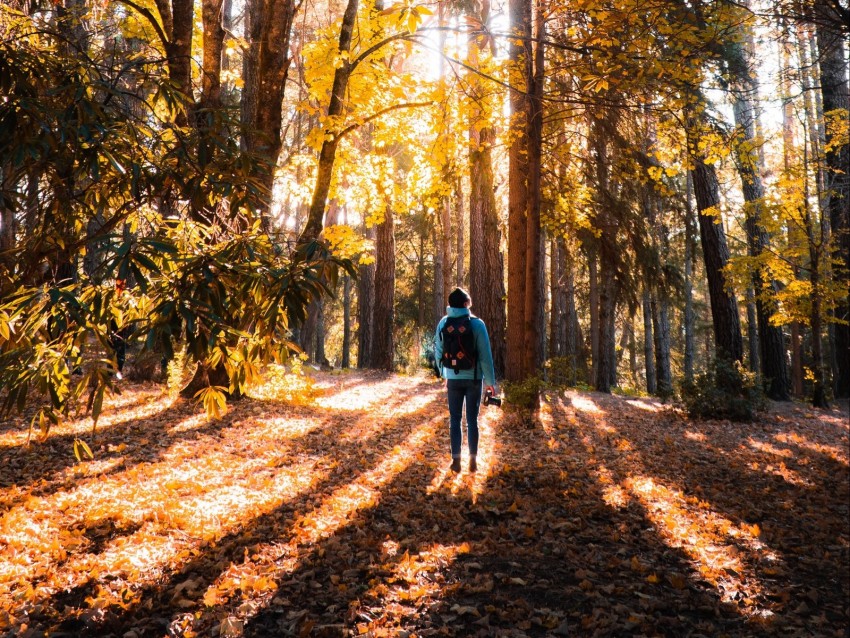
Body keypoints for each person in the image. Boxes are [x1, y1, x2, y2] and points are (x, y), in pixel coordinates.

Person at [434, 287, 497, 473]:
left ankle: (455, 461)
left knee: (455, 419)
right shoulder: (478, 324)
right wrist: (491, 382)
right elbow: (485, 356)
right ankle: (473, 460)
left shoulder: (443, 323)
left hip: (452, 378)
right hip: (474, 378)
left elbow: (438, 350)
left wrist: (444, 373)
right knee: (472, 420)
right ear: (465, 304)